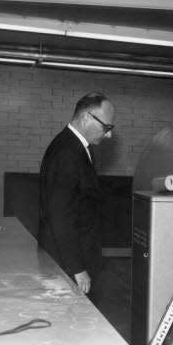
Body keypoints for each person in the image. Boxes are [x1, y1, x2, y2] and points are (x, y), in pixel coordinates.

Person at [38, 92, 115, 298]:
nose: (109, 135)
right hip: (68, 264)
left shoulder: (77, 147)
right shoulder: (67, 152)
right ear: (85, 118)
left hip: (76, 258)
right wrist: (77, 269)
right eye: (106, 127)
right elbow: (60, 215)